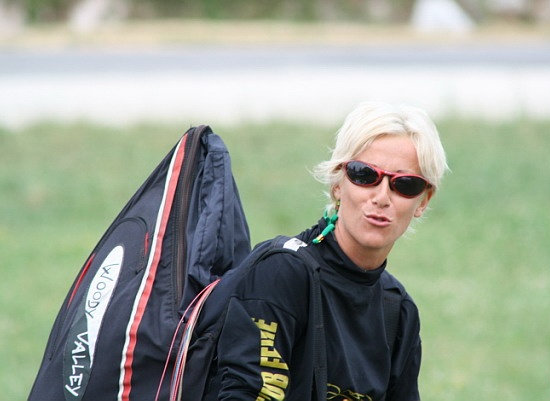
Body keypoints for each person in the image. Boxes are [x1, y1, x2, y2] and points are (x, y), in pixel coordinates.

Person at [191, 101, 449, 401]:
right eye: (365, 175)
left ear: (423, 201)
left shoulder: (397, 310)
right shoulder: (280, 275)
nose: (381, 197)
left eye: (405, 184)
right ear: (338, 183)